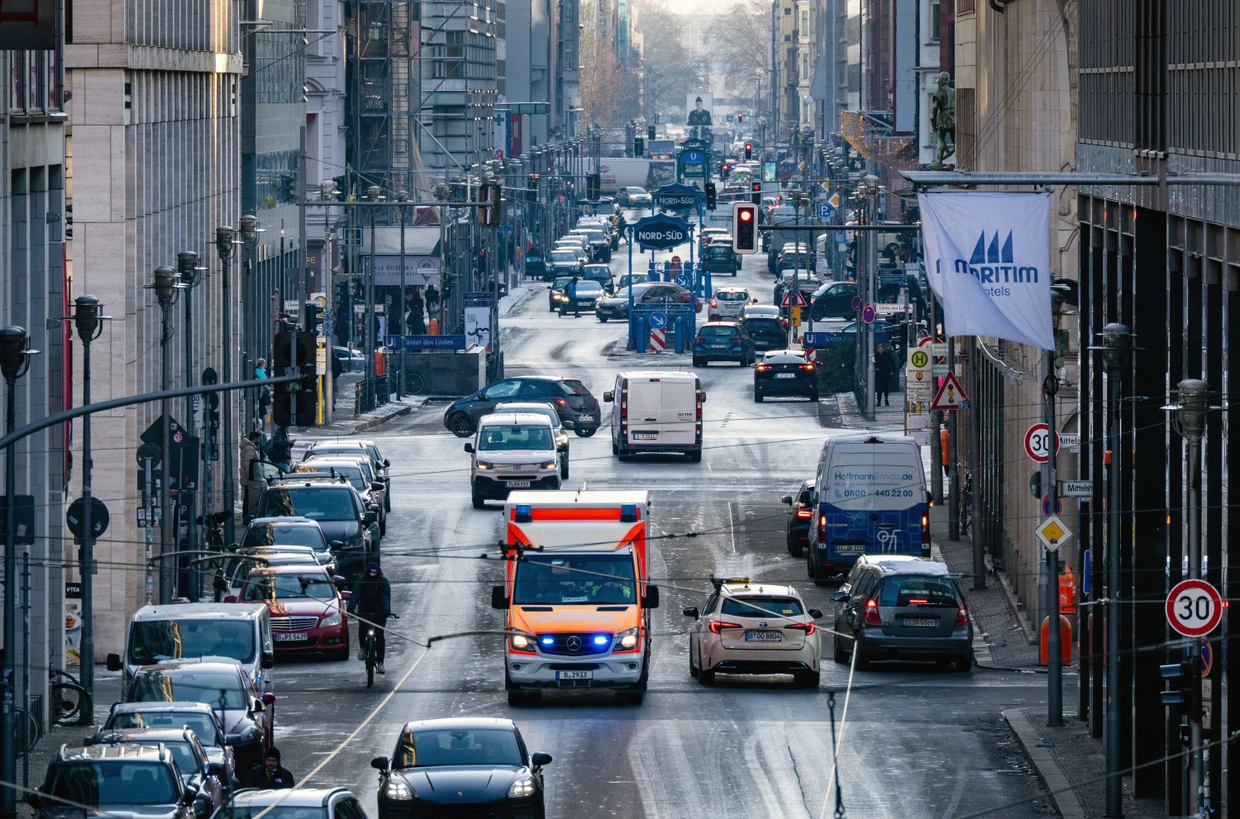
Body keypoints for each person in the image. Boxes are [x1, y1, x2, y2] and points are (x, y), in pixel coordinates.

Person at [348, 563, 392, 674]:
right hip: (365, 610)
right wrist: (351, 608)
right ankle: (363, 647)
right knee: (362, 627)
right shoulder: (361, 581)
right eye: (370, 572)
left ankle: (381, 662)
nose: (372, 574)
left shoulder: (383, 581)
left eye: (374, 572)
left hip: (380, 612)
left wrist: (387, 609)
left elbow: (386, 595)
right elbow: (355, 595)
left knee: (380, 634)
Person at [239, 431, 263, 522]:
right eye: (258, 438)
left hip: (248, 477)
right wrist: (251, 477)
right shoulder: (250, 448)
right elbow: (248, 463)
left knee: (247, 498)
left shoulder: (248, 447)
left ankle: (246, 516)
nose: (259, 440)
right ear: (255, 438)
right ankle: (247, 517)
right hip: (250, 478)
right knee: (249, 499)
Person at [873, 343, 898, 407]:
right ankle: (879, 401)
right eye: (879, 349)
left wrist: (892, 371)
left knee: (886, 388)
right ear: (877, 349)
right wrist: (875, 369)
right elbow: (873, 364)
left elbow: (892, 363)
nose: (881, 350)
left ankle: (886, 399)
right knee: (879, 389)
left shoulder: (887, 355)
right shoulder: (876, 356)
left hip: (886, 373)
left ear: (883, 349)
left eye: (882, 349)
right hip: (879, 374)